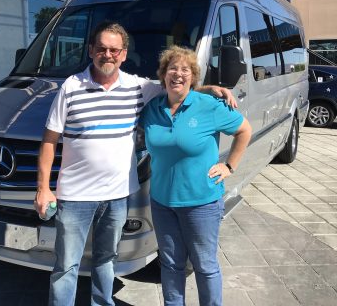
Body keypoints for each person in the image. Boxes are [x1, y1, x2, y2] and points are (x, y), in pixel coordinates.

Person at [34, 22, 237, 306]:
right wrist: (43, 188)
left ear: (124, 54)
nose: (108, 55)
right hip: (75, 195)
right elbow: (49, 140)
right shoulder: (71, 86)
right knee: (66, 265)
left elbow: (176, 86)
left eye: (114, 50)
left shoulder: (137, 87)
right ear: (91, 51)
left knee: (107, 259)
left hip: (117, 196)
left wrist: (209, 89)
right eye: (102, 49)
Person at [139, 46, 252, 306]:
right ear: (163, 75)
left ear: (193, 77)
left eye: (185, 70)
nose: (178, 74)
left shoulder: (209, 106)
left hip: (201, 202)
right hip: (162, 202)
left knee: (204, 265)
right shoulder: (152, 108)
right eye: (172, 69)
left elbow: (244, 130)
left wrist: (229, 166)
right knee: (170, 263)